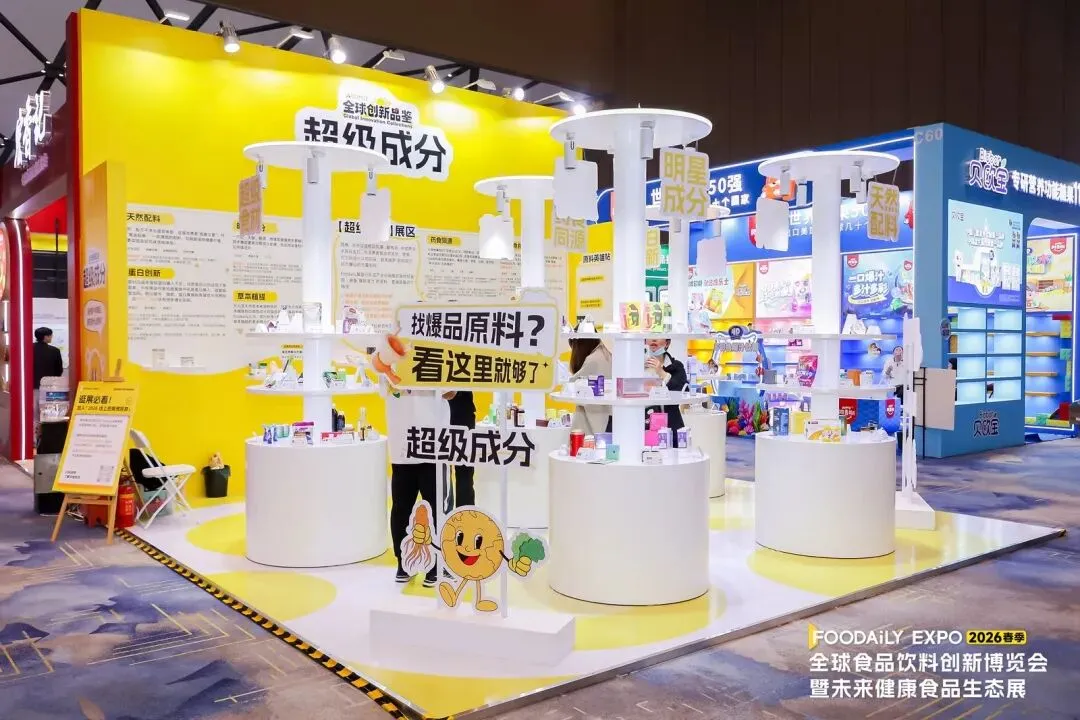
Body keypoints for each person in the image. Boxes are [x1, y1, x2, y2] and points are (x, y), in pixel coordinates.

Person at [383, 375, 456, 587]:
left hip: (425, 443)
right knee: (416, 508)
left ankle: (425, 565)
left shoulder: (389, 361)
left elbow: (451, 392)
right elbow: (451, 392)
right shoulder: (389, 361)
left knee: (414, 507)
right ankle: (412, 564)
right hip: (416, 443)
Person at [567, 338, 612, 434]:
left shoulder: (593, 360)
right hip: (607, 416)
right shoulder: (606, 354)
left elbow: (572, 384)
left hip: (595, 416)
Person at [644, 338, 689, 431]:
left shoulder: (677, 366)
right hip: (643, 424)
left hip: (671, 424)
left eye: (659, 336)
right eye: (649, 336)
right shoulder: (635, 366)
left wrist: (661, 372)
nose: (653, 339)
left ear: (667, 343)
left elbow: (681, 391)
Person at [448, 390, 476, 507]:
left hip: (462, 413)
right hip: (436, 412)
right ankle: (445, 513)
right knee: (440, 471)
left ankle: (465, 513)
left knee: (465, 471)